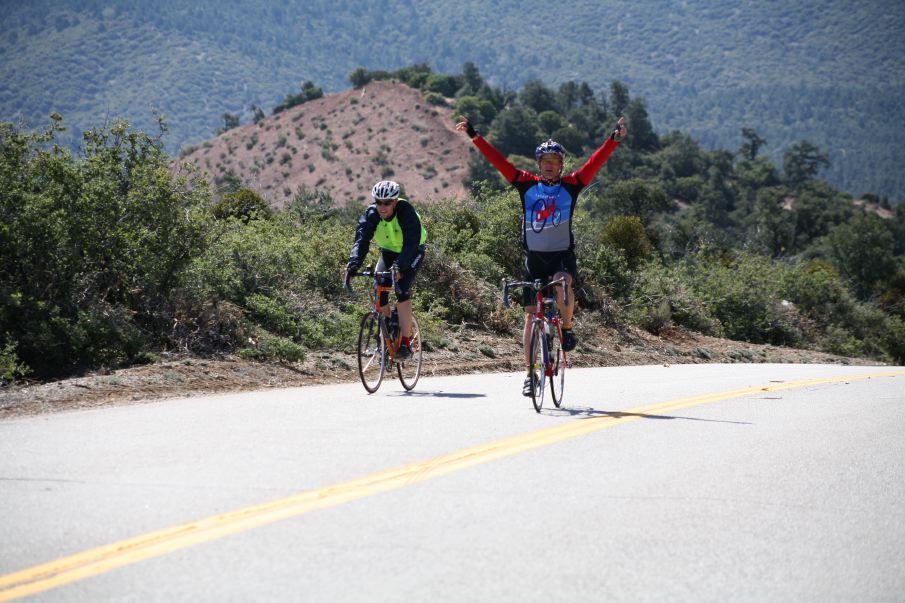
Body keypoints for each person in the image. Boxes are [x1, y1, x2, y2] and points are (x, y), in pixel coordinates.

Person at [456, 114, 626, 396]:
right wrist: (475, 136)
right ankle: (530, 373)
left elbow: (594, 164)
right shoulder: (525, 184)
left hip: (561, 256)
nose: (549, 167)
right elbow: (499, 162)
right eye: (545, 163)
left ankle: (568, 328)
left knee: (562, 284)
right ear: (538, 165)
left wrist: (613, 139)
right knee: (530, 317)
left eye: (554, 163)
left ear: (561, 166)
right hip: (534, 259)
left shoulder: (571, 185)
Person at [344, 180, 427, 359]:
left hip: (412, 251)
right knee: (378, 289)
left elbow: (411, 243)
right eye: (378, 202)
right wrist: (353, 264)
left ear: (395, 202)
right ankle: (389, 330)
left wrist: (400, 266)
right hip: (389, 252)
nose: (382, 207)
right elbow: (361, 241)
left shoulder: (406, 212)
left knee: (401, 289)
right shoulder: (371, 213)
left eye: (387, 202)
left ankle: (405, 342)